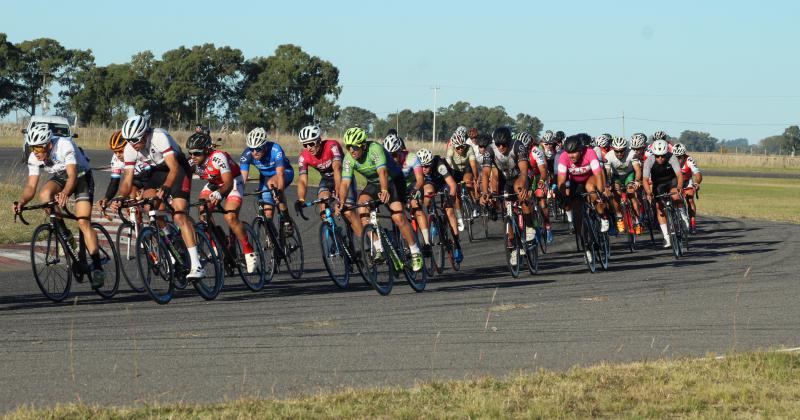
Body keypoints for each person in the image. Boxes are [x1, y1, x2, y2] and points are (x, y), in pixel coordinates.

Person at [109, 115, 206, 279]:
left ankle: (197, 266)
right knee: (149, 206)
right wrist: (120, 197)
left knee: (179, 214)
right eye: (129, 140)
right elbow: (127, 179)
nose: (133, 144)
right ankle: (170, 236)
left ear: (145, 134)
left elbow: (174, 168)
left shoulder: (159, 137)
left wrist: (166, 187)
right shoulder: (130, 148)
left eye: (135, 140)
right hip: (157, 171)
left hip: (177, 168)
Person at [14, 124, 106, 288]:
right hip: (61, 176)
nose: (36, 152)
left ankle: (98, 267)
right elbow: (30, 187)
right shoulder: (34, 156)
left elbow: (72, 176)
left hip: (81, 176)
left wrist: (65, 193)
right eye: (33, 147)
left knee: (83, 222)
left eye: (39, 148)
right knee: (44, 195)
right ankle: (65, 234)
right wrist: (21, 202)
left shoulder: (64, 145)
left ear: (49, 144)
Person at [338, 127, 424, 271]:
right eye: (348, 147)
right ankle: (378, 248)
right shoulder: (348, 159)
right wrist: (341, 202)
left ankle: (415, 252)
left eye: (354, 147)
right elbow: (345, 183)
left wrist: (384, 190)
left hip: (394, 181)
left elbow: (382, 172)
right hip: (374, 184)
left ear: (363, 145)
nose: (351, 150)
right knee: (361, 207)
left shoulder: (375, 149)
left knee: (397, 216)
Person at [186, 132, 257, 273]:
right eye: (190, 153)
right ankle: (215, 245)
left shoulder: (218, 157)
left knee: (230, 216)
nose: (193, 157)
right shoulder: (192, 162)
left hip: (232, 181)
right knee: (202, 210)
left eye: (196, 153)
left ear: (206, 150)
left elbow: (228, 183)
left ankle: (248, 249)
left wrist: (220, 193)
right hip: (214, 183)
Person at [479, 127, 533, 265]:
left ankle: (529, 226)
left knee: (519, 190)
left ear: (510, 141)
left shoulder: (517, 146)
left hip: (521, 176)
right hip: (505, 179)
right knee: (507, 208)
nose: (501, 147)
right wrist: (485, 192)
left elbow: (524, 170)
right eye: (498, 144)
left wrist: (525, 188)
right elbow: (485, 174)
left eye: (504, 144)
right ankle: (515, 247)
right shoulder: (490, 150)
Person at [293, 125, 360, 230]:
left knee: (348, 212)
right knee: (323, 207)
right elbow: (302, 180)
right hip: (327, 180)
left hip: (343, 177)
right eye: (305, 145)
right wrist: (301, 199)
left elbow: (337, 168)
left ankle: (366, 244)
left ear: (319, 140)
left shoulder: (332, 146)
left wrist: (338, 191)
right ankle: (334, 237)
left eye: (311, 143)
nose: (308, 148)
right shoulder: (303, 156)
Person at [556, 134, 610, 258]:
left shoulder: (589, 153)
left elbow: (598, 174)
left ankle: (602, 216)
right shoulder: (564, 157)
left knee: (591, 189)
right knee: (577, 216)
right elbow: (561, 181)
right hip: (576, 182)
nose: (571, 156)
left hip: (591, 178)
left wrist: (601, 193)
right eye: (569, 153)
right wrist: (565, 196)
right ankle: (586, 244)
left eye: (574, 152)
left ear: (580, 150)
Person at [239, 127, 295, 234]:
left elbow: (280, 174)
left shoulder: (275, 149)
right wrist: (237, 192)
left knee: (273, 186)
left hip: (285, 172)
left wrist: (280, 192)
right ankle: (272, 237)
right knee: (267, 212)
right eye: (251, 149)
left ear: (264, 145)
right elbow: (242, 178)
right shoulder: (246, 154)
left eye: (258, 149)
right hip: (265, 177)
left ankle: (286, 218)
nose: (254, 152)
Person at [383, 133, 431, 254]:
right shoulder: (385, 161)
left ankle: (426, 243)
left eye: (395, 155)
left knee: (416, 206)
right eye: (389, 155)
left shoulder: (411, 158)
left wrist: (415, 191)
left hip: (413, 184)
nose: (393, 158)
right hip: (397, 187)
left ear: (400, 151)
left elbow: (420, 179)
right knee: (397, 213)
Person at [417, 148, 463, 263]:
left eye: (427, 166)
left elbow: (452, 185)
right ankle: (432, 214)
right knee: (427, 192)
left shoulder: (440, 165)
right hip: (431, 183)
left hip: (445, 183)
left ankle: (457, 244)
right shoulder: (419, 169)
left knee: (449, 210)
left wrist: (450, 199)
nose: (424, 169)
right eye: (422, 166)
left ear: (432, 163)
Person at [642, 139, 687, 248]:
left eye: (662, 156)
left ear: (666, 153)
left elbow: (679, 175)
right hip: (659, 184)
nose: (660, 158)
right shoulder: (649, 161)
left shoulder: (672, 157)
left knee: (675, 195)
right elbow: (645, 179)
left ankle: (682, 214)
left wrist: (680, 187)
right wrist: (648, 192)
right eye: (658, 156)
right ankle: (666, 237)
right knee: (659, 207)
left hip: (672, 181)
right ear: (654, 154)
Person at [97, 130, 152, 211]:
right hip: (135, 180)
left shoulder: (139, 153)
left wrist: (144, 190)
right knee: (129, 200)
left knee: (149, 206)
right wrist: (106, 199)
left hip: (150, 177)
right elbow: (114, 183)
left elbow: (152, 175)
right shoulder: (116, 159)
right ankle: (136, 222)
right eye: (115, 151)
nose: (118, 155)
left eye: (120, 151)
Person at [604, 136, 643, 234]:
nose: (619, 153)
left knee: (631, 193)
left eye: (622, 151)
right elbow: (608, 172)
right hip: (616, 176)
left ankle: (638, 221)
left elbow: (637, 170)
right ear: (613, 150)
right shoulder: (608, 156)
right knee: (616, 194)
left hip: (629, 175)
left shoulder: (631, 154)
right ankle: (619, 217)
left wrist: (637, 181)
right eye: (617, 151)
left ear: (625, 149)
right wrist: (608, 183)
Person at [445, 132, 479, 229]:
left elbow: (473, 165)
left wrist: (475, 177)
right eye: (458, 148)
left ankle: (474, 204)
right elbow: (448, 164)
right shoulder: (451, 149)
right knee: (456, 196)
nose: (460, 149)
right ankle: (460, 218)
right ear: (454, 146)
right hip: (455, 170)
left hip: (466, 169)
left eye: (462, 147)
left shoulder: (469, 148)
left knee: (468, 182)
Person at [672, 143, 702, 233]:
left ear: (684, 155)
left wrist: (696, 183)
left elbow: (698, 175)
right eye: (676, 157)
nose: (678, 159)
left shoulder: (689, 160)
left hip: (686, 181)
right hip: (675, 182)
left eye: (680, 157)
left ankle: (692, 222)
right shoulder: (670, 160)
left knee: (690, 199)